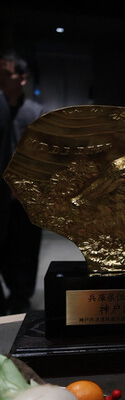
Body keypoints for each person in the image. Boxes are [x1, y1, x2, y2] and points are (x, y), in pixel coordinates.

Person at [0, 51, 44, 315]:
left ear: (22, 78)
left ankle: (20, 298)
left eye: (7, 74)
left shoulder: (36, 113)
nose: (2, 79)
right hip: (1, 196)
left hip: (25, 197)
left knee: (25, 248)